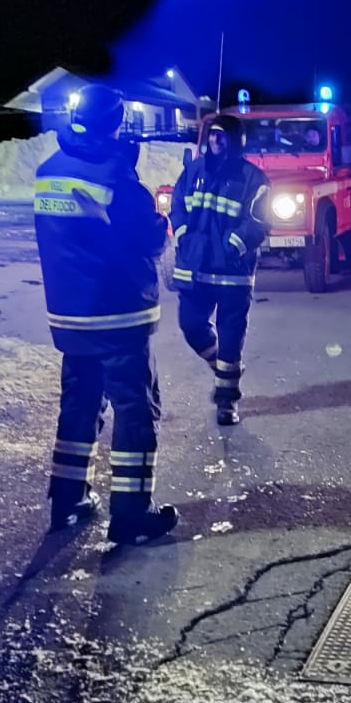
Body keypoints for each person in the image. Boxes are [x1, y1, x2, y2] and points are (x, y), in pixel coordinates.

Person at [34, 85, 178, 543]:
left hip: (71, 316)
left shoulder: (49, 171)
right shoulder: (116, 175)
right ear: (116, 124)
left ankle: (67, 500)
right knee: (136, 409)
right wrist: (163, 221)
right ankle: (132, 515)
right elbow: (148, 238)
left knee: (79, 404)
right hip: (117, 315)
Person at [171, 114, 271, 426]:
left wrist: (234, 245)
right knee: (190, 325)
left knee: (231, 340)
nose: (215, 141)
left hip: (233, 274)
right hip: (196, 270)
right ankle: (220, 364)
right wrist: (183, 236)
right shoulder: (194, 171)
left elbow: (260, 222)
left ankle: (226, 402)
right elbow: (177, 206)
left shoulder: (254, 179)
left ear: (236, 141)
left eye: (221, 136)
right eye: (212, 136)